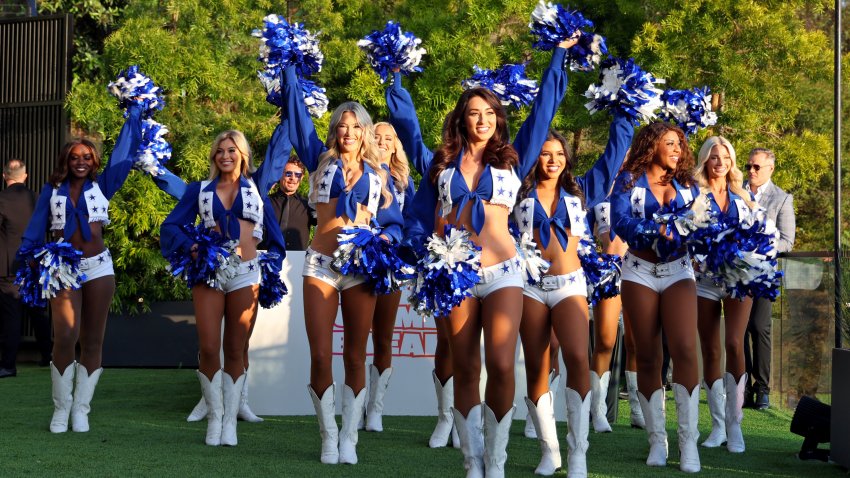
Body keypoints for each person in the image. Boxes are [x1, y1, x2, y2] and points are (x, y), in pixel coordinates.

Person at [400, 41, 575, 477]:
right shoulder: (440, 164)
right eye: (474, 113)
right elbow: (418, 216)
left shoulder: (513, 158)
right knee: (466, 366)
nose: (483, 120)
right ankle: (472, 461)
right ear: (461, 118)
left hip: (504, 272)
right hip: (455, 273)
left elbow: (543, 113)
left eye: (490, 114)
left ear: (498, 120)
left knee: (500, 363)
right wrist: (421, 253)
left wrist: (557, 55)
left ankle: (496, 461)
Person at [282, 64, 404, 465]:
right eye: (342, 126)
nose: (348, 133)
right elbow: (297, 114)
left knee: (355, 354)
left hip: (361, 267)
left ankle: (350, 435)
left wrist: (387, 237)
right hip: (320, 262)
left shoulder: (380, 173)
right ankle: (328, 436)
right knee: (320, 355)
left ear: (366, 132)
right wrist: (289, 67)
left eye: (355, 127)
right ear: (335, 130)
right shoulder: (319, 159)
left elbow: (395, 223)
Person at [516, 104, 632, 477]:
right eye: (545, 154)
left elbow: (615, 153)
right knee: (537, 367)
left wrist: (624, 108)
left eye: (559, 154)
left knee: (577, 361)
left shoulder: (583, 190)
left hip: (570, 286)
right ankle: (549, 450)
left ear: (567, 158)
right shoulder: (517, 191)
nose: (552, 160)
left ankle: (578, 452)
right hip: (531, 287)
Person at [19, 104, 144, 434]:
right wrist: (28, 259)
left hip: (99, 267)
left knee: (92, 339)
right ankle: (60, 409)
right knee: (66, 336)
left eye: (87, 157)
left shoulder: (103, 185)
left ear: (94, 162)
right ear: (66, 159)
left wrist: (134, 114)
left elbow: (123, 155)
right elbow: (35, 228)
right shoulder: (51, 190)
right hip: (63, 267)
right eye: (75, 156)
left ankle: (81, 409)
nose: (81, 161)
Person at [160, 128, 287, 447]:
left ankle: (230, 420)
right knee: (208, 345)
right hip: (209, 270)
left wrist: (272, 260)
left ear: (243, 155)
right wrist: (192, 248)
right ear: (214, 156)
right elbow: (171, 225)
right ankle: (214, 419)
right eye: (220, 150)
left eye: (232, 150)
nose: (226, 155)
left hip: (246, 271)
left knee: (235, 347)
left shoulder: (257, 188)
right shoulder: (199, 189)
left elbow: (274, 234)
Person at [610, 122, 701, 473]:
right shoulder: (629, 180)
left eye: (679, 143)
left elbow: (701, 223)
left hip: (678, 270)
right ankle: (657, 441)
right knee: (648, 355)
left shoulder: (689, 184)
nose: (677, 149)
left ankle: (688, 443)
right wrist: (653, 229)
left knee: (684, 348)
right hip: (639, 271)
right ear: (652, 145)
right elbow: (619, 220)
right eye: (669, 143)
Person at [693, 136, 758, 453]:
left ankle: (735, 427)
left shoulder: (743, 197)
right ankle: (717, 426)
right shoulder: (694, 195)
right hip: (704, 280)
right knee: (711, 349)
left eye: (726, 157)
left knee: (734, 342)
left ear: (732, 162)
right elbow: (686, 235)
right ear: (706, 160)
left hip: (739, 277)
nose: (720, 162)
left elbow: (754, 239)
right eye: (714, 157)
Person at [362, 122, 415, 433]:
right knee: (356, 338)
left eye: (389, 138)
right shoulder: (358, 170)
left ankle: (375, 409)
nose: (382, 142)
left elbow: (414, 223)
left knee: (383, 336)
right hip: (357, 261)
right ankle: (354, 404)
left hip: (391, 263)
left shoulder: (406, 184)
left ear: (397, 146)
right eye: (377, 137)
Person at [743, 147, 795, 410]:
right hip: (736, 271)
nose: (751, 171)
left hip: (764, 272)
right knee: (737, 329)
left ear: (770, 169)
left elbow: (787, 241)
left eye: (756, 167)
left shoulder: (782, 199)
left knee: (759, 327)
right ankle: (742, 388)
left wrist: (761, 247)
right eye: (748, 166)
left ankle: (762, 388)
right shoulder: (735, 192)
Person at [586, 200, 644, 430]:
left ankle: (637, 410)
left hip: (639, 269)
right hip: (610, 271)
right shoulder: (598, 194)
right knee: (605, 341)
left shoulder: (640, 190)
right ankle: (598, 410)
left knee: (636, 342)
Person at [0, 159, 36, 378]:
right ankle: (48, 354)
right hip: (35, 262)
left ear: (5, 176)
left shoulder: (2, 198)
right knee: (38, 311)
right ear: (25, 176)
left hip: (9, 265)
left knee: (11, 315)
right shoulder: (37, 198)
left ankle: (8, 365)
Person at [267, 157, 315, 250]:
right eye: (288, 173)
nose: (293, 178)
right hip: (267, 260)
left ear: (302, 178)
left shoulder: (309, 205)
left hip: (296, 262)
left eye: (297, 174)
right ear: (280, 175)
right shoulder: (265, 203)